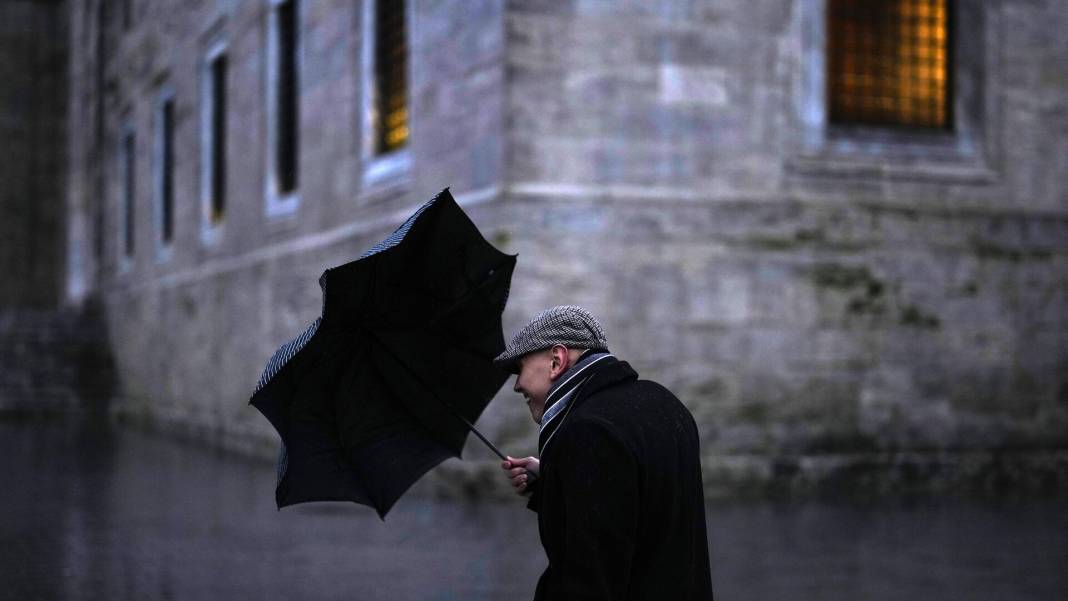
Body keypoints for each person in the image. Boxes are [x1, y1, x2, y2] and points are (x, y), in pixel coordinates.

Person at [496, 305, 714, 600]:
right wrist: (555, 476)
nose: (517, 385)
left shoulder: (587, 431)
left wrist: (570, 463)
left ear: (556, 361)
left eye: (520, 368)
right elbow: (644, 508)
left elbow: (588, 576)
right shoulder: (663, 403)